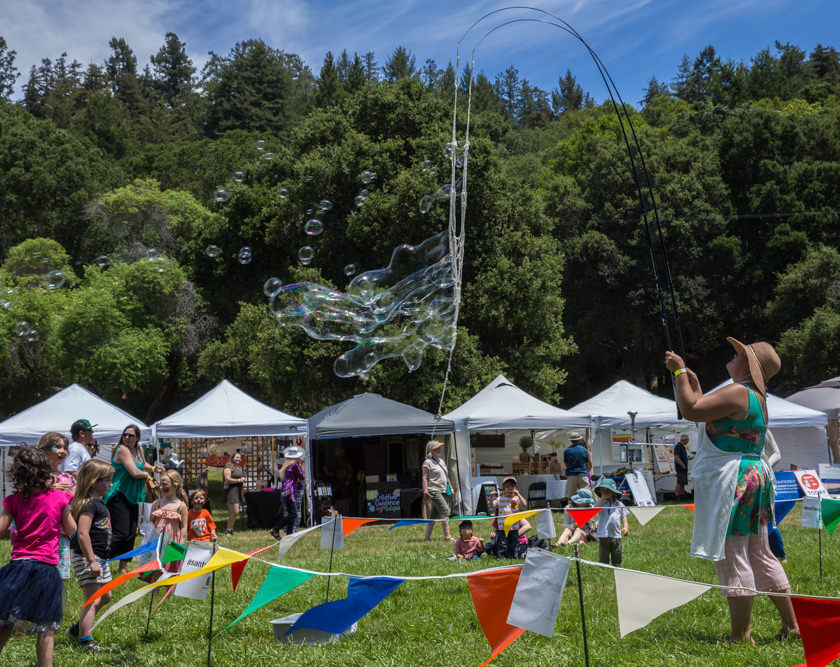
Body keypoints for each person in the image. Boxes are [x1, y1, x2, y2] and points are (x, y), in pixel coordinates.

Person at [666, 337, 799, 643]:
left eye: (740, 354)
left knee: (733, 554)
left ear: (750, 367)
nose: (734, 355)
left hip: (735, 481)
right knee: (761, 552)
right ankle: (793, 626)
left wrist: (678, 374)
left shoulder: (739, 392)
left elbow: (692, 410)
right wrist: (692, 382)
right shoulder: (757, 398)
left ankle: (741, 636)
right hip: (755, 476)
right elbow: (708, 414)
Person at [0, 447, 76, 666]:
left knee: (6, 618)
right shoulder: (60, 498)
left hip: (18, 567)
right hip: (45, 568)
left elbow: (2, 529)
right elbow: (71, 530)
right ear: (46, 471)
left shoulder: (13, 500)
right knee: (46, 625)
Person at [67, 459, 114, 652]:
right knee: (92, 600)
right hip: (89, 558)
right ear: (94, 481)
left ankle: (77, 629)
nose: (110, 484)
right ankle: (86, 642)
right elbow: (82, 533)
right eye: (107, 480)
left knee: (106, 597)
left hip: (100, 559)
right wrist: (91, 560)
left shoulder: (99, 504)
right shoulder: (89, 505)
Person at [104, 424, 156, 576]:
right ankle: (97, 559)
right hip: (118, 495)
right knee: (120, 533)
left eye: (130, 435)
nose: (126, 437)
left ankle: (122, 568)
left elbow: (142, 464)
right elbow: (134, 471)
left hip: (133, 495)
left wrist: (153, 469)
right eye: (125, 434)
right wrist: (147, 476)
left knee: (131, 533)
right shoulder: (121, 450)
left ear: (137, 438)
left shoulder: (138, 449)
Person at [37, 432, 76, 580]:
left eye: (65, 448)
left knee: (59, 576)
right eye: (57, 447)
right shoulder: (35, 476)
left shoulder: (67, 478)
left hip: (61, 531)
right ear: (44, 449)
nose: (62, 451)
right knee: (40, 573)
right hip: (40, 532)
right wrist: (48, 489)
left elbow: (73, 500)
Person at [150, 470, 188, 573]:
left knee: (170, 570)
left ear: (175, 486)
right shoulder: (157, 504)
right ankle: (155, 589)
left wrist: (181, 544)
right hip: (157, 541)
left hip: (172, 542)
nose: (161, 487)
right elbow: (151, 523)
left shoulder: (181, 506)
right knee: (156, 569)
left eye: (165, 485)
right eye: (160, 484)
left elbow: (184, 527)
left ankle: (169, 589)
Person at [270, 446, 306, 540]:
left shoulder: (287, 464)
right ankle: (275, 529)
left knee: (291, 514)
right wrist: (301, 465)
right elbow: (302, 476)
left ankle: (289, 535)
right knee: (294, 514)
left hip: (285, 491)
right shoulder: (295, 465)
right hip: (289, 491)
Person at [422, 440, 455, 542]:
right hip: (434, 490)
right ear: (430, 450)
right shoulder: (427, 462)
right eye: (437, 448)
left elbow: (446, 476)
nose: (439, 449)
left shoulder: (441, 461)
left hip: (443, 490)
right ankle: (447, 537)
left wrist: (451, 489)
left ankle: (427, 538)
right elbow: (424, 478)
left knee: (433, 515)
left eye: (439, 447)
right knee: (445, 511)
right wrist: (425, 490)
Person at [593, 478, 629, 565]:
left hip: (616, 534)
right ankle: (603, 568)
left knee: (617, 554)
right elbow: (594, 510)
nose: (605, 492)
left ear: (613, 492)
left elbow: (623, 516)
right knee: (603, 555)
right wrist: (602, 499)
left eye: (607, 490)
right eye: (602, 490)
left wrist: (625, 526)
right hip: (603, 535)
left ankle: (617, 567)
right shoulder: (600, 503)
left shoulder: (618, 504)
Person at [491, 476, 526, 558]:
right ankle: (502, 558)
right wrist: (492, 497)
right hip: (502, 527)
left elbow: (524, 504)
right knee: (502, 544)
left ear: (516, 488)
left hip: (514, 527)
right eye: (507, 487)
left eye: (512, 486)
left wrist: (518, 494)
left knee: (514, 544)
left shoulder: (516, 499)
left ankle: (514, 557)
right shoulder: (500, 499)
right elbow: (492, 506)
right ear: (504, 488)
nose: (510, 488)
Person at [563, 432, 592, 502]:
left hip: (571, 475)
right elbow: (587, 464)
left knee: (570, 496)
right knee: (586, 495)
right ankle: (586, 510)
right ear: (579, 440)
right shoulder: (584, 450)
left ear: (571, 440)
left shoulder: (566, 451)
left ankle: (570, 511)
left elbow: (566, 464)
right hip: (582, 474)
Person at [223, 452, 245, 537]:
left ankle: (230, 530)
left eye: (239, 458)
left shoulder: (238, 468)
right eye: (237, 457)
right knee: (235, 512)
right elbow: (227, 479)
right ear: (232, 458)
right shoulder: (228, 467)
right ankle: (228, 531)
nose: (238, 459)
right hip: (231, 491)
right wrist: (239, 480)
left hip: (238, 491)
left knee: (235, 512)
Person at [674, 434, 690, 501]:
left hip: (684, 467)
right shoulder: (678, 446)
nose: (688, 442)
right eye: (687, 441)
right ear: (684, 440)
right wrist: (682, 464)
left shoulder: (682, 447)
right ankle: (677, 496)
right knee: (679, 483)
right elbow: (676, 457)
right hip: (680, 468)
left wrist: (688, 458)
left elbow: (682, 457)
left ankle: (682, 495)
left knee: (683, 483)